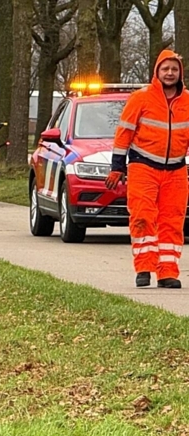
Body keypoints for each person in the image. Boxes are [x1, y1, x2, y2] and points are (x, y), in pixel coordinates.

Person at [106, 49, 189, 289]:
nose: (170, 73)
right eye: (166, 69)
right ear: (157, 72)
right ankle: (144, 268)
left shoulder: (187, 100)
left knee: (172, 222)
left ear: (180, 73)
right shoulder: (141, 98)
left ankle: (168, 273)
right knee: (142, 216)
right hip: (144, 167)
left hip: (176, 171)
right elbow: (124, 134)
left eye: (174, 69)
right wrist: (117, 167)